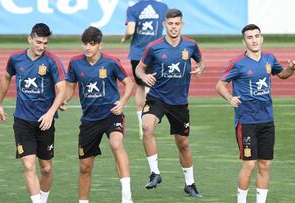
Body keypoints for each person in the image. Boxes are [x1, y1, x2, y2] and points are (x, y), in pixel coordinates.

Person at [215, 24, 295, 203]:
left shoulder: (270, 59)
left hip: (267, 120)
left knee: (265, 164)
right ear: (244, 41)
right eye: (249, 37)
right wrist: (230, 98)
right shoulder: (237, 63)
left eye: (257, 36)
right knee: (249, 164)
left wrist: (291, 68)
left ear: (262, 38)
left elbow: (282, 74)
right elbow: (220, 85)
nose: (254, 40)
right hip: (246, 121)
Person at [135, 8, 205, 198]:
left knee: (183, 144)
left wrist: (199, 68)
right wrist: (144, 76)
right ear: (164, 25)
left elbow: (201, 61)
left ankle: (189, 184)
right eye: (170, 24)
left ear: (182, 25)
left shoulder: (190, 45)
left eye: (177, 24)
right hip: (157, 98)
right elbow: (139, 69)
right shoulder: (154, 47)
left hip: (179, 102)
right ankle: (155, 173)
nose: (173, 27)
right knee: (147, 127)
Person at [62, 26, 134, 203]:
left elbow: (129, 83)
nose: (88, 47)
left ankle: (126, 196)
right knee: (85, 167)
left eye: (92, 44)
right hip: (89, 120)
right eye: (85, 43)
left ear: (100, 45)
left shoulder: (111, 62)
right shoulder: (75, 63)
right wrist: (64, 100)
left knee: (116, 145)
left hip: (111, 115)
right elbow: (70, 88)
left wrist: (122, 102)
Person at [0, 23, 67, 203]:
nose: (42, 47)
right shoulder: (15, 59)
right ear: (30, 39)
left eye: (45, 43)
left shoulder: (52, 61)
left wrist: (51, 112)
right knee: (28, 165)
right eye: (38, 42)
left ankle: (43, 199)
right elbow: (5, 78)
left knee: (46, 169)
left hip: (45, 121)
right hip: (22, 120)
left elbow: (62, 89)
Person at [121, 0, 168, 139]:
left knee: (141, 87)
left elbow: (130, 30)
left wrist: (124, 37)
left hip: (138, 54)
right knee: (152, 85)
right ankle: (150, 122)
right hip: (157, 52)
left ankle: (143, 125)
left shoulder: (133, 8)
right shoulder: (163, 7)